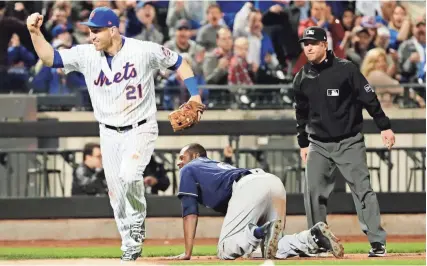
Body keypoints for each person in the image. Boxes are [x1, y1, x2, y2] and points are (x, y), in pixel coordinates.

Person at [26, 6, 204, 262]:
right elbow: (50, 58)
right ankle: (129, 246)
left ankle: (137, 224)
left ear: (113, 29)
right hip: (108, 132)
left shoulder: (142, 50)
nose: (92, 36)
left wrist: (194, 94)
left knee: (130, 174)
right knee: (117, 197)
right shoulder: (87, 54)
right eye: (89, 31)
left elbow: (179, 62)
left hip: (140, 126)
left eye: (96, 31)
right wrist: (34, 32)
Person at [293, 26, 396, 257]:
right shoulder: (301, 78)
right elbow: (301, 114)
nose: (308, 47)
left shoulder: (347, 69)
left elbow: (369, 98)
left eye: (312, 43)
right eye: (305, 43)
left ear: (323, 45)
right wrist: (303, 143)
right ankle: (318, 241)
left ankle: (377, 242)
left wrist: (384, 126)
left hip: (349, 140)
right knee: (312, 191)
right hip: (318, 143)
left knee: (362, 190)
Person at [170, 143, 344, 260]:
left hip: (248, 187)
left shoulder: (189, 168)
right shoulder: (214, 165)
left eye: (181, 158)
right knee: (270, 248)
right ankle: (313, 237)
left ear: (194, 156)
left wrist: (187, 252)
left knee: (225, 249)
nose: (179, 163)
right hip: (271, 181)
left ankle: (259, 231)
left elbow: (189, 212)